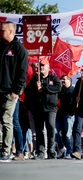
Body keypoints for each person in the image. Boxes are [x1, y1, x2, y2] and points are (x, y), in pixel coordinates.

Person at [0, 21, 28, 161]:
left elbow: (22, 73)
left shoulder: (19, 49)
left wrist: (16, 91)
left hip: (11, 92)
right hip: (0, 90)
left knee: (7, 120)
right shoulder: (0, 46)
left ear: (11, 31)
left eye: (2, 30)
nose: (0, 32)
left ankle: (6, 151)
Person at [24, 59, 61, 160]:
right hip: (38, 108)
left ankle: (51, 150)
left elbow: (57, 88)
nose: (41, 67)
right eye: (40, 65)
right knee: (39, 130)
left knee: (50, 127)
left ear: (48, 67)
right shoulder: (35, 79)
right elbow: (27, 92)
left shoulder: (54, 78)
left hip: (51, 108)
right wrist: (35, 87)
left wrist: (43, 88)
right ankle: (41, 151)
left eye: (43, 65)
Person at [55, 75, 75, 159]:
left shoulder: (74, 90)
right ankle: (62, 147)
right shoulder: (60, 89)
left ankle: (69, 152)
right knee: (54, 131)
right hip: (60, 114)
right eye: (62, 79)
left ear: (69, 80)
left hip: (69, 115)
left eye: (64, 79)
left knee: (67, 134)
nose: (62, 81)